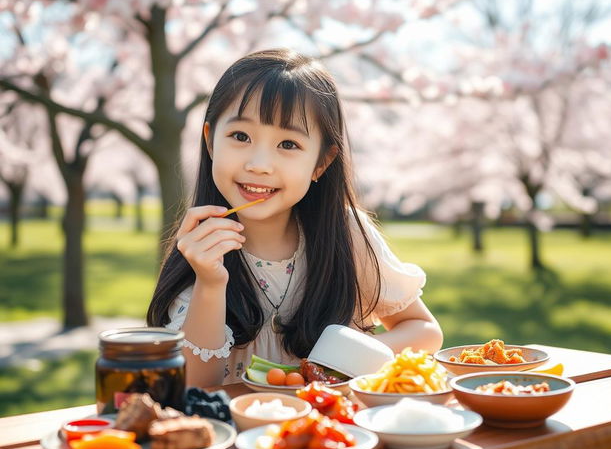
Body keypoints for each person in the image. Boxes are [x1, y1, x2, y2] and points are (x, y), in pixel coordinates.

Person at [147, 48, 442, 388]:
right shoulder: (199, 248)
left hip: (334, 433)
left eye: (288, 144)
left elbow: (424, 330)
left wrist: (344, 359)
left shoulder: (344, 234)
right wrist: (210, 283)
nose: (259, 164)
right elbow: (197, 386)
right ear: (211, 141)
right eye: (241, 137)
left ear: (321, 162)